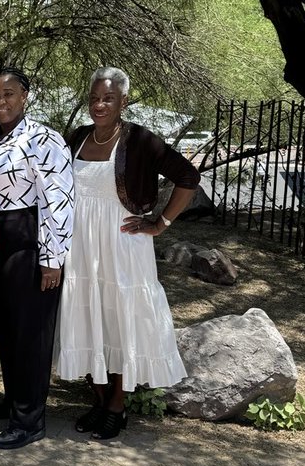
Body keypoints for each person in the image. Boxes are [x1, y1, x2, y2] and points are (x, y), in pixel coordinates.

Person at [55, 66, 200, 440]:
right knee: (87, 316)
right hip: (81, 245)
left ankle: (117, 406)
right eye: (94, 98)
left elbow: (188, 177)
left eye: (108, 98)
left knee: (119, 320)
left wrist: (160, 223)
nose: (99, 105)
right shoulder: (78, 138)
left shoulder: (139, 141)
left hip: (123, 244)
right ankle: (99, 399)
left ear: (124, 101)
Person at [0, 68, 74, 450]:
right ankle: (14, 397)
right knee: (6, 327)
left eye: (9, 94)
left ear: (25, 96)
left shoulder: (44, 139)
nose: (1, 101)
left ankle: (30, 419)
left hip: (31, 242)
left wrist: (52, 258)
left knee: (31, 334)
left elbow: (59, 200)